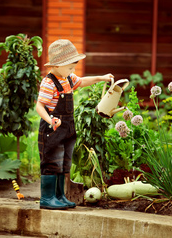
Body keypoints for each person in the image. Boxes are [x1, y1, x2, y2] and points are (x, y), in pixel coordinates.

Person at [36, 39, 114, 210]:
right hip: (53, 129)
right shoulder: (49, 83)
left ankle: (60, 196)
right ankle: (47, 198)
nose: (73, 71)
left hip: (67, 129)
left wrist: (101, 78)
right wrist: (50, 120)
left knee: (64, 163)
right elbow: (39, 106)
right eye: (70, 67)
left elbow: (82, 81)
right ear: (56, 66)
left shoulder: (68, 78)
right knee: (52, 162)